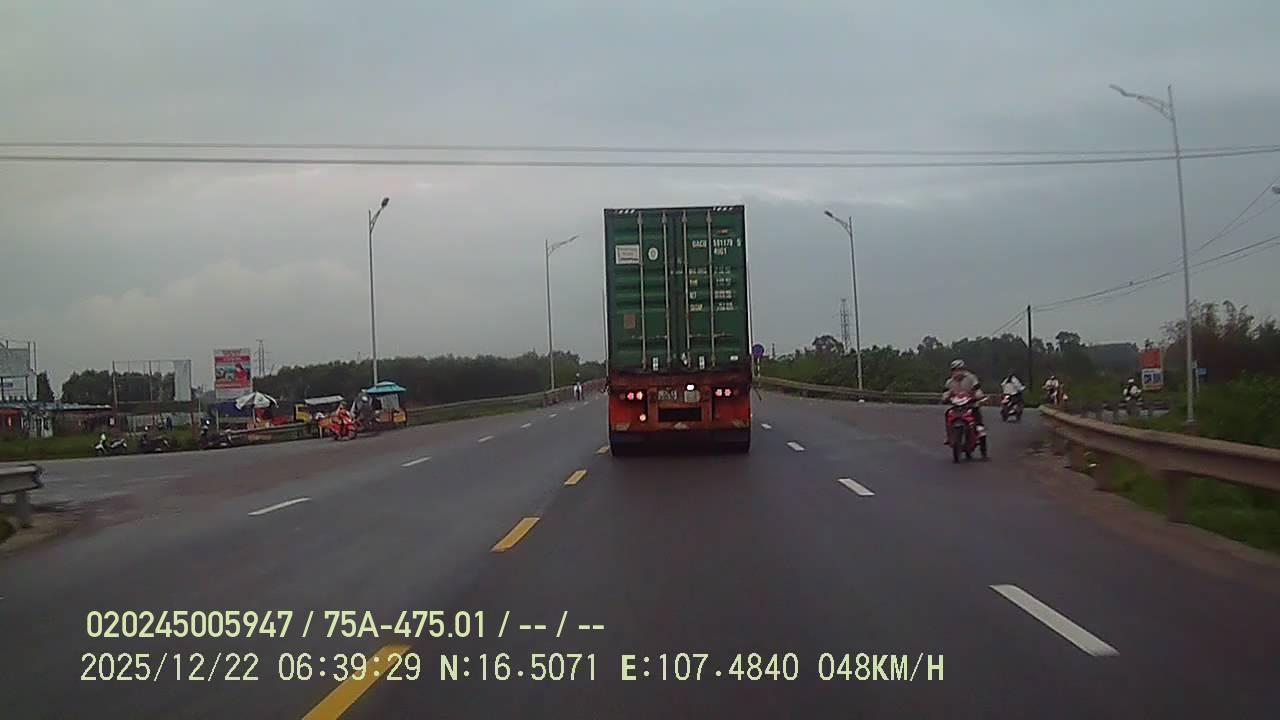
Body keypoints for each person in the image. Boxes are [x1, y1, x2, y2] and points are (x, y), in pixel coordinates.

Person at [942, 359, 985, 441]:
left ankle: (980, 431)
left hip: (970, 402)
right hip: (956, 404)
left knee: (976, 412)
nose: (957, 372)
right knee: (948, 413)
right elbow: (946, 392)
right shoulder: (949, 382)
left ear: (964, 370)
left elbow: (977, 389)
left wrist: (978, 395)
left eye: (960, 369)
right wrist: (945, 397)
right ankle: (949, 436)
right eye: (955, 370)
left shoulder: (971, 378)